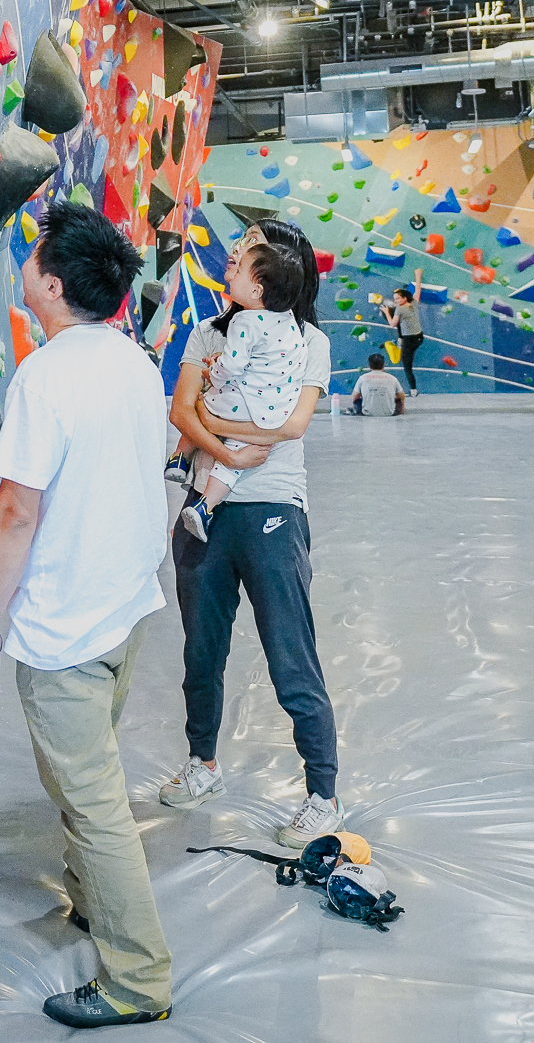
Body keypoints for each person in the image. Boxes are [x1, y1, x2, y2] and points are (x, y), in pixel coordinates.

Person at [0, 203, 173, 1029]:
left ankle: (139, 982)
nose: (24, 264)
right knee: (84, 773)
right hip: (124, 607)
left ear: (50, 286)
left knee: (93, 800)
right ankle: (92, 897)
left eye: (33, 258)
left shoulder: (46, 376)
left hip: (68, 626)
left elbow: (16, 509)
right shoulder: (131, 360)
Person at [164, 218, 341, 855]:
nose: (234, 258)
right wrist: (227, 454)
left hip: (273, 513)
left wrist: (229, 437)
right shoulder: (209, 331)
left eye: (246, 253)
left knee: (292, 659)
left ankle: (323, 794)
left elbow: (293, 427)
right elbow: (182, 411)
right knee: (200, 652)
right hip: (204, 509)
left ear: (273, 276)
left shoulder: (309, 341)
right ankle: (202, 764)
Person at [173, 237, 310, 538]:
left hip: (272, 497)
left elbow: (229, 369)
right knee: (232, 454)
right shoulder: (289, 328)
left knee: (207, 400)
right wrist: (230, 456)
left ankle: (180, 456)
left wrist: (215, 376)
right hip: (267, 414)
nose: (236, 250)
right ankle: (204, 506)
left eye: (250, 248)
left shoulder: (245, 322)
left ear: (259, 287)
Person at [384, 284, 425, 394]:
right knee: (401, 324)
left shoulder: (400, 309)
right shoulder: (413, 303)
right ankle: (400, 339)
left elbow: (392, 323)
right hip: (419, 337)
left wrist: (386, 312)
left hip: (409, 340)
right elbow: (417, 291)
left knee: (407, 366)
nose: (396, 301)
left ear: (404, 298)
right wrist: (418, 276)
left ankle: (413, 389)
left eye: (397, 298)